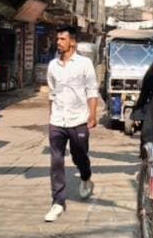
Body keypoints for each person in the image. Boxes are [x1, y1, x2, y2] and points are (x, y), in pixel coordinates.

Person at [44, 25, 99, 222]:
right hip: (57, 121)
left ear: (72, 42)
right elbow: (52, 93)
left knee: (80, 155)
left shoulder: (85, 64)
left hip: (78, 119)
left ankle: (85, 176)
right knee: (56, 161)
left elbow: (92, 90)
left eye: (62, 39)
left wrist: (92, 115)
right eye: (57, 39)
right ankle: (58, 202)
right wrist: (51, 116)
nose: (58, 42)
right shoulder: (52, 65)